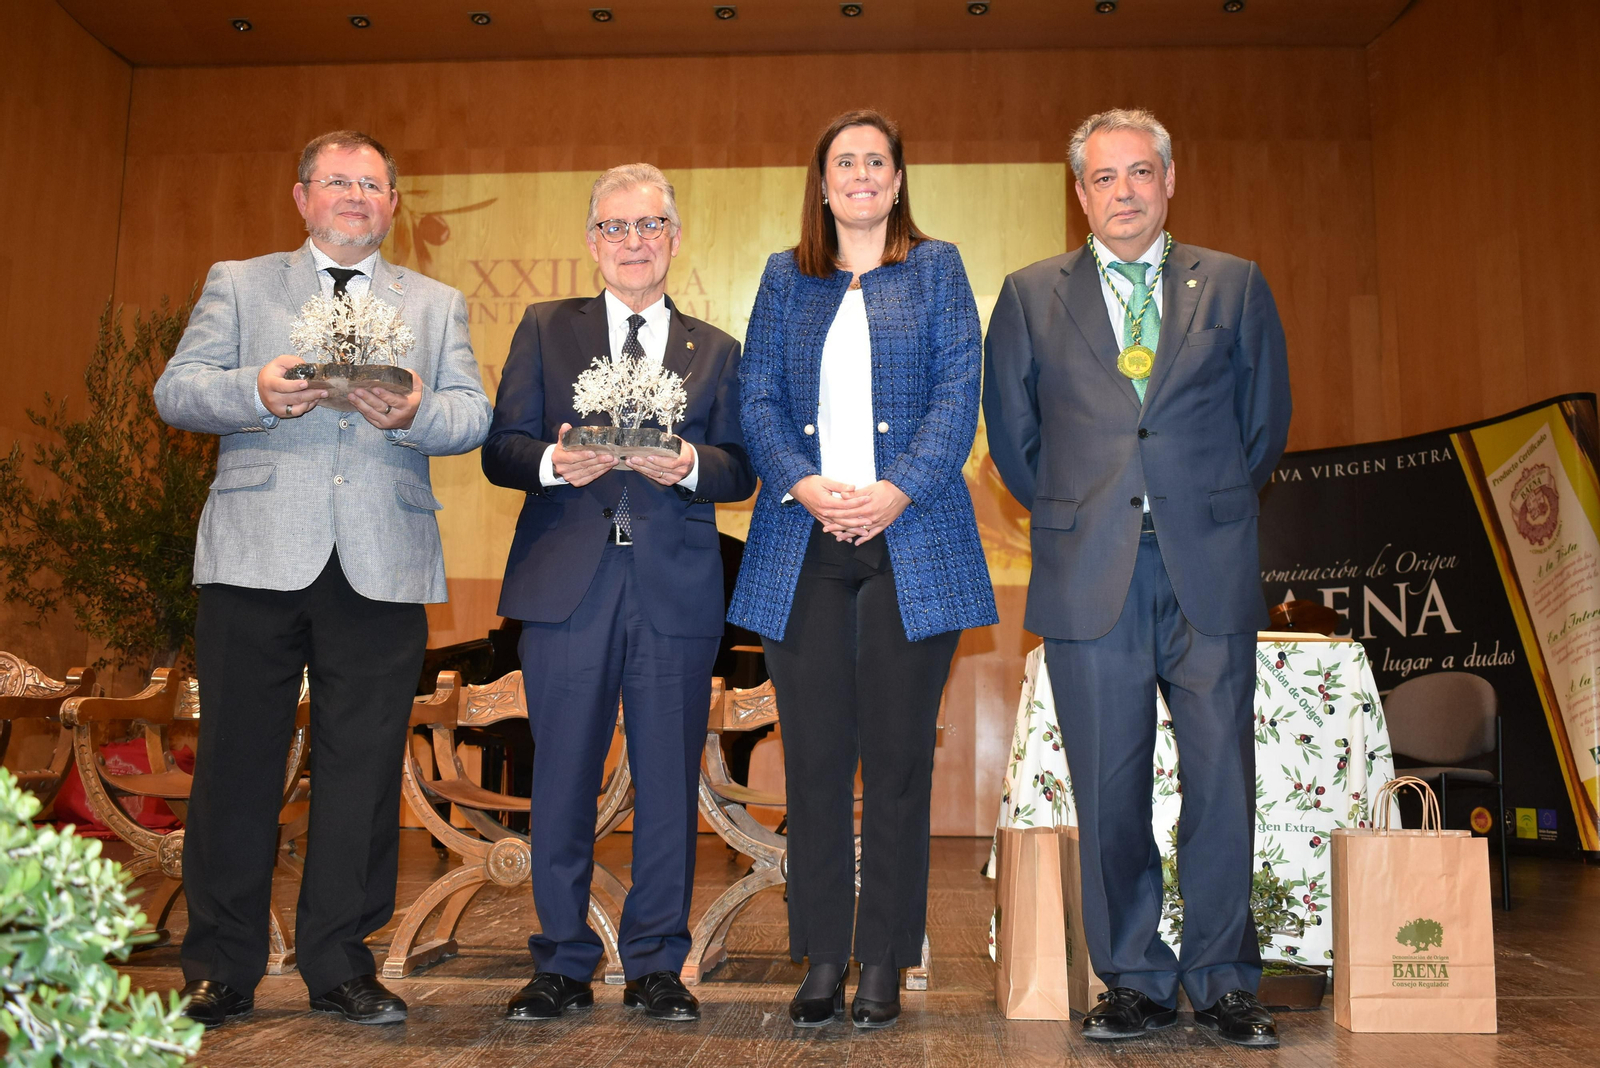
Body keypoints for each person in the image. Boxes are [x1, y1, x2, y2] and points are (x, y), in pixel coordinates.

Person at [153, 130, 492, 1027]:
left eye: (372, 185)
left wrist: (415, 410)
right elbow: (176, 391)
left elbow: (471, 415)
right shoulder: (241, 283)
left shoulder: (436, 303)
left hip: (381, 560)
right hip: (255, 553)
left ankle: (341, 964)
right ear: (302, 197)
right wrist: (254, 392)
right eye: (337, 182)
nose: (355, 197)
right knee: (236, 764)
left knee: (364, 769)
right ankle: (220, 967)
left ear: (393, 205)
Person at [982, 108, 1293, 1047]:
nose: (1125, 191)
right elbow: (1017, 444)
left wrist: (1194, 504)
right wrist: (1091, 512)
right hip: (1090, 572)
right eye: (1105, 177)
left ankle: (1225, 979)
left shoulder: (1234, 283)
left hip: (1209, 564)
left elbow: (1263, 425)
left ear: (1170, 180)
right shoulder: (1029, 295)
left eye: (1140, 172)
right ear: (1080, 194)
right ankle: (1133, 978)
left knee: (1223, 780)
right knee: (1109, 787)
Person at [728, 109, 997, 1030]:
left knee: (896, 765)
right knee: (812, 763)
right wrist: (803, 484)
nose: (861, 174)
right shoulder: (785, 277)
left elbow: (960, 395)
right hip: (802, 540)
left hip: (911, 541)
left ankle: (881, 959)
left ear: (897, 179)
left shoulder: (937, 268)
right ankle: (820, 958)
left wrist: (898, 490)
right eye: (845, 161)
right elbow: (756, 396)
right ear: (823, 181)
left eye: (876, 161)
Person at [482, 163, 755, 1024]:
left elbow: (741, 469)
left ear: (674, 238)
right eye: (615, 226)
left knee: (669, 783)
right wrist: (555, 462)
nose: (633, 242)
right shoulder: (544, 328)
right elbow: (501, 448)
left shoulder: (716, 349)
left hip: (675, 589)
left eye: (649, 225)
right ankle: (561, 962)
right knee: (562, 779)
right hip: (568, 586)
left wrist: (691, 465)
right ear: (592, 240)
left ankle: (656, 965)